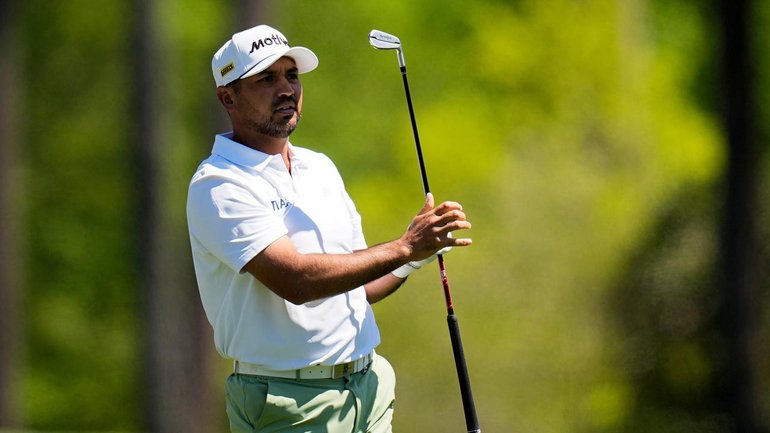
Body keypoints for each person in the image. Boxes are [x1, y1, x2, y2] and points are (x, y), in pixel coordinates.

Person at [186, 24, 472, 433]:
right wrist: (404, 247)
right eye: (266, 79)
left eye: (292, 76)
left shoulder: (319, 166)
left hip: (368, 388)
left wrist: (415, 259)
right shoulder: (219, 184)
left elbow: (356, 287)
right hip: (287, 403)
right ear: (227, 97)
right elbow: (297, 282)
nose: (286, 89)